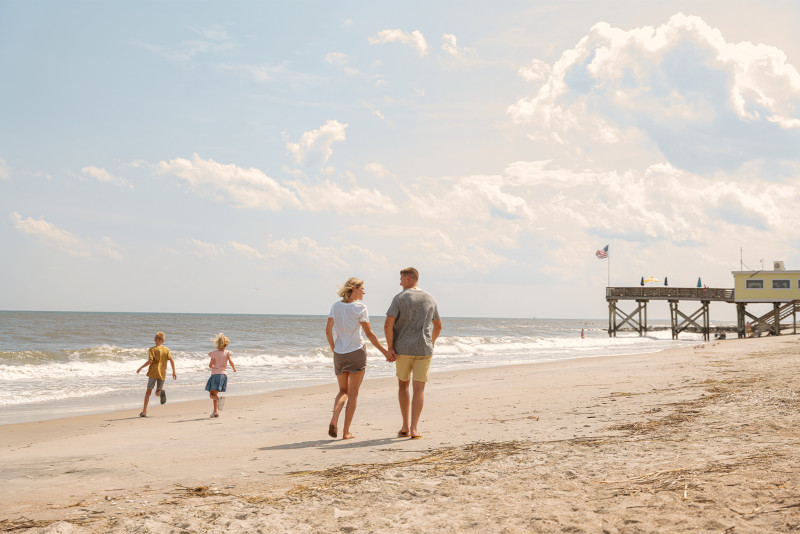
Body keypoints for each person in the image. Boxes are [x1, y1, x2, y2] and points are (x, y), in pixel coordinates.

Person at [326, 277, 392, 440]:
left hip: (340, 354)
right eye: (362, 288)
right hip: (356, 352)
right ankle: (345, 432)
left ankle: (334, 419)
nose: (364, 291)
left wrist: (334, 347)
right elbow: (369, 334)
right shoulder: (360, 307)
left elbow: (328, 330)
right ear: (354, 288)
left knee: (343, 391)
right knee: (353, 393)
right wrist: (385, 352)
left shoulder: (335, 306)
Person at [384, 267, 442, 440]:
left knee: (403, 385)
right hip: (424, 349)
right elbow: (438, 325)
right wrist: (431, 342)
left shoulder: (400, 298)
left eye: (401, 279)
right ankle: (415, 429)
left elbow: (388, 325)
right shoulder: (430, 298)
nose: (400, 282)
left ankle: (405, 426)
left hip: (403, 350)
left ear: (408, 279)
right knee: (419, 389)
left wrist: (390, 347)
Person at [136, 331, 176, 417]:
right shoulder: (166, 349)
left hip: (153, 373)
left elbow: (150, 361)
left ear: (154, 340)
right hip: (162, 373)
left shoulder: (152, 349)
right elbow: (172, 360)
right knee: (157, 393)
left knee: (148, 392)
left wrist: (141, 367)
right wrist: (174, 372)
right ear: (163, 341)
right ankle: (160, 392)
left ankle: (144, 412)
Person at [205, 333, 236, 418]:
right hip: (223, 375)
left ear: (217, 343)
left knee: (212, 395)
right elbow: (231, 362)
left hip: (215, 375)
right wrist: (234, 368)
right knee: (215, 393)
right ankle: (215, 412)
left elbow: (210, 365)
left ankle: (219, 400)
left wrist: (212, 366)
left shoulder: (214, 353)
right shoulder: (227, 353)